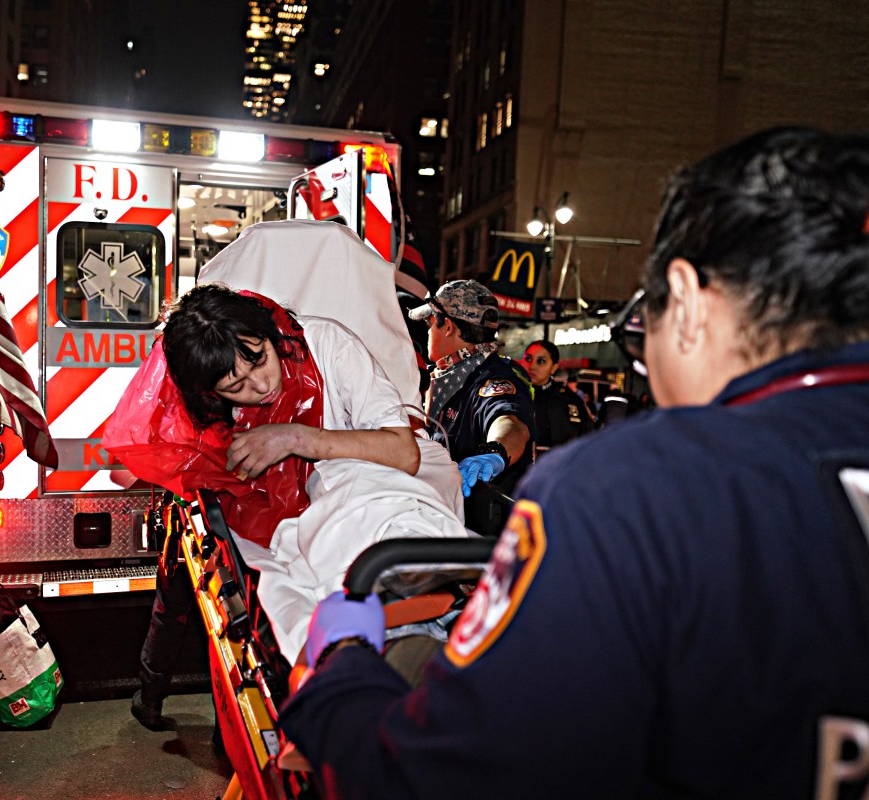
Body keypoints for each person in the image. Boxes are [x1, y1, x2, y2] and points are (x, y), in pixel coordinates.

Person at [278, 127, 869, 799]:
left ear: (686, 299)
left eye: (640, 338)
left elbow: (442, 773)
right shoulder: (441, 380)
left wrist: (343, 670)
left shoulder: (630, 490)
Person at [118, 284, 466, 729]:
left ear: (269, 334)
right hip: (315, 523)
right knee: (300, 561)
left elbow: (402, 453)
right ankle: (394, 636)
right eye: (236, 387)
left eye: (260, 359)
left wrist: (296, 437)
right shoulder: (207, 415)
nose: (261, 386)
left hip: (377, 488)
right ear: (211, 394)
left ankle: (402, 623)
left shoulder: (327, 346)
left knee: (368, 511)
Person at [408, 280, 534, 533]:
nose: (427, 331)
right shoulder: (444, 376)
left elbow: (510, 423)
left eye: (430, 322)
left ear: (448, 327)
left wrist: (493, 452)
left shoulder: (492, 379)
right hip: (438, 521)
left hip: (479, 536)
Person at [520, 339, 594, 452]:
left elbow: (587, 441)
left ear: (554, 367)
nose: (532, 366)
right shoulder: (508, 396)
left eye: (541, 361)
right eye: (528, 359)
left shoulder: (570, 400)